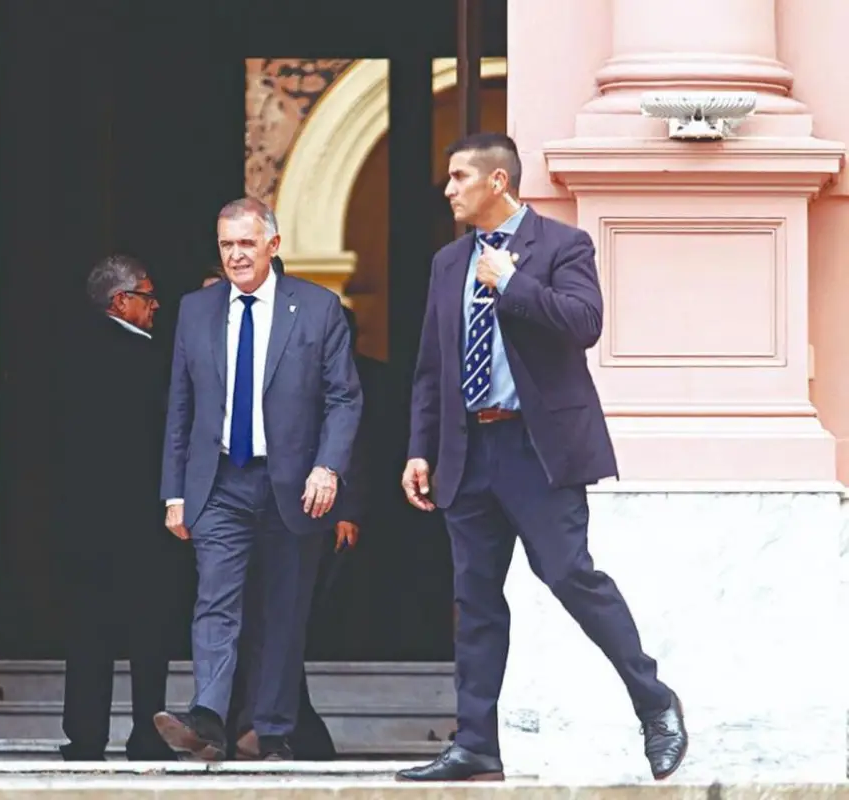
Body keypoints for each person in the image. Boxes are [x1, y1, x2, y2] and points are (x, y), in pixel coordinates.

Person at [396, 132, 688, 782]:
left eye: (458, 177)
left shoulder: (562, 246)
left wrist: (515, 283)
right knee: (474, 599)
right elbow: (430, 367)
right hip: (467, 450)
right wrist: (421, 448)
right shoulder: (448, 262)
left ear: (498, 182)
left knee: (569, 577)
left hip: (536, 449)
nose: (448, 189)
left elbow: (585, 324)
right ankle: (476, 744)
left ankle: (655, 703)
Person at [154, 197, 363, 761]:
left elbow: (344, 399)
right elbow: (180, 407)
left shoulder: (318, 309)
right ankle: (210, 718)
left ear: (273, 244)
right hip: (220, 481)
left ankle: (270, 730)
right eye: (226, 245)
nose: (236, 255)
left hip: (294, 484)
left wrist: (329, 468)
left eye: (246, 243)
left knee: (283, 609)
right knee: (215, 599)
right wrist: (174, 492)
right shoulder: (195, 310)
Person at [57, 255, 180, 761]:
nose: (155, 307)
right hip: (141, 520)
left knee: (88, 628)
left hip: (82, 519)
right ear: (121, 301)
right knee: (149, 629)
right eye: (148, 297)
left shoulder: (65, 355)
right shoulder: (152, 360)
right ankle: (147, 732)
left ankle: (85, 735)